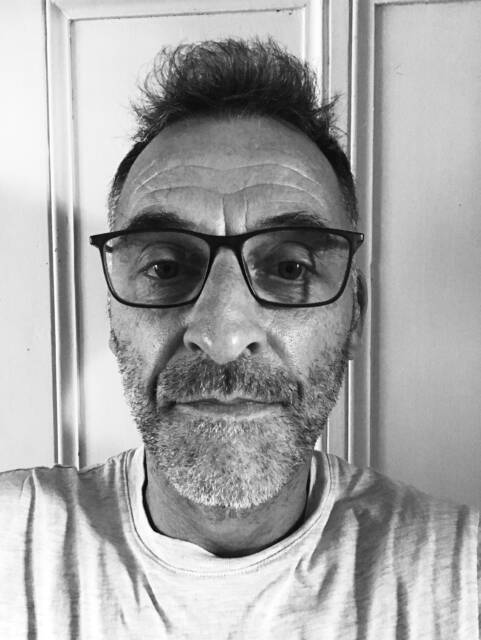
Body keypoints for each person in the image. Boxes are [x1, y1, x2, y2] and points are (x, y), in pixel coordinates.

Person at [0, 38, 479, 639]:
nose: (223, 337)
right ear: (113, 316)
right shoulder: (14, 543)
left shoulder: (460, 574)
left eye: (290, 268)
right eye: (165, 267)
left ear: (354, 315)